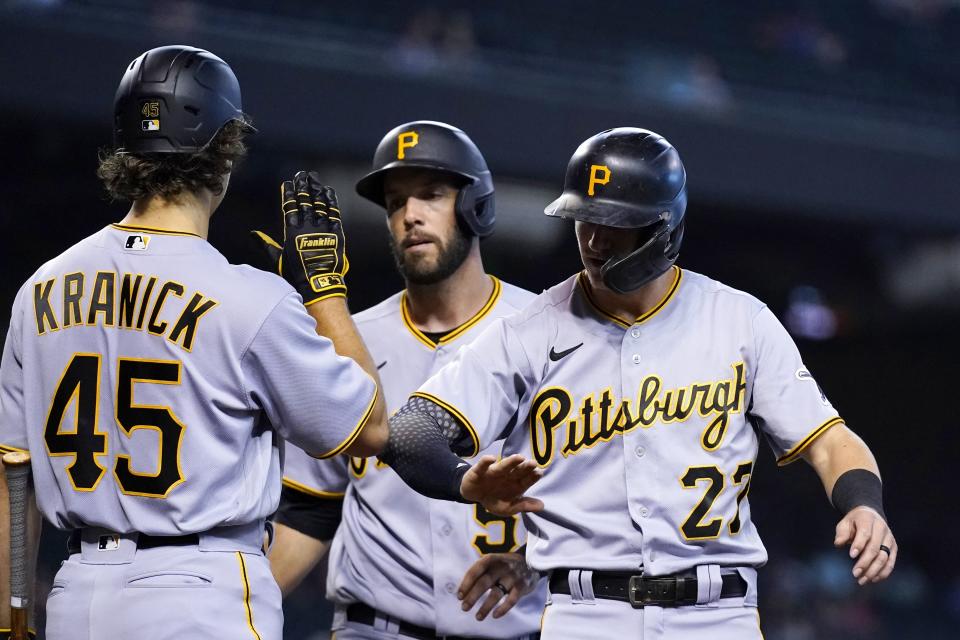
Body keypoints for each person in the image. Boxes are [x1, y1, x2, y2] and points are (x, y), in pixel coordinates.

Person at [379, 128, 897, 638]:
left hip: (718, 616)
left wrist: (863, 504)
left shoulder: (740, 320)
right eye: (584, 218)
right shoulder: (530, 332)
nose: (594, 239)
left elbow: (830, 442)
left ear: (662, 227)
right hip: (585, 614)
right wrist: (464, 481)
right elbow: (408, 434)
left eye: (613, 222)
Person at [0, 45, 387, 640]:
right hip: (200, 590)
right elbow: (370, 429)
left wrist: (15, 615)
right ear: (224, 151)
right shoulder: (248, 299)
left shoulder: (40, 291)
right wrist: (325, 289)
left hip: (78, 593)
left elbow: (14, 481)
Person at [268, 121, 547, 639]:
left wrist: (534, 561)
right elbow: (310, 508)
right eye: (395, 202)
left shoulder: (547, 333)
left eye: (432, 195)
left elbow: (602, 499)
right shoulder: (346, 339)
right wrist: (226, 615)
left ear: (475, 206)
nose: (410, 215)